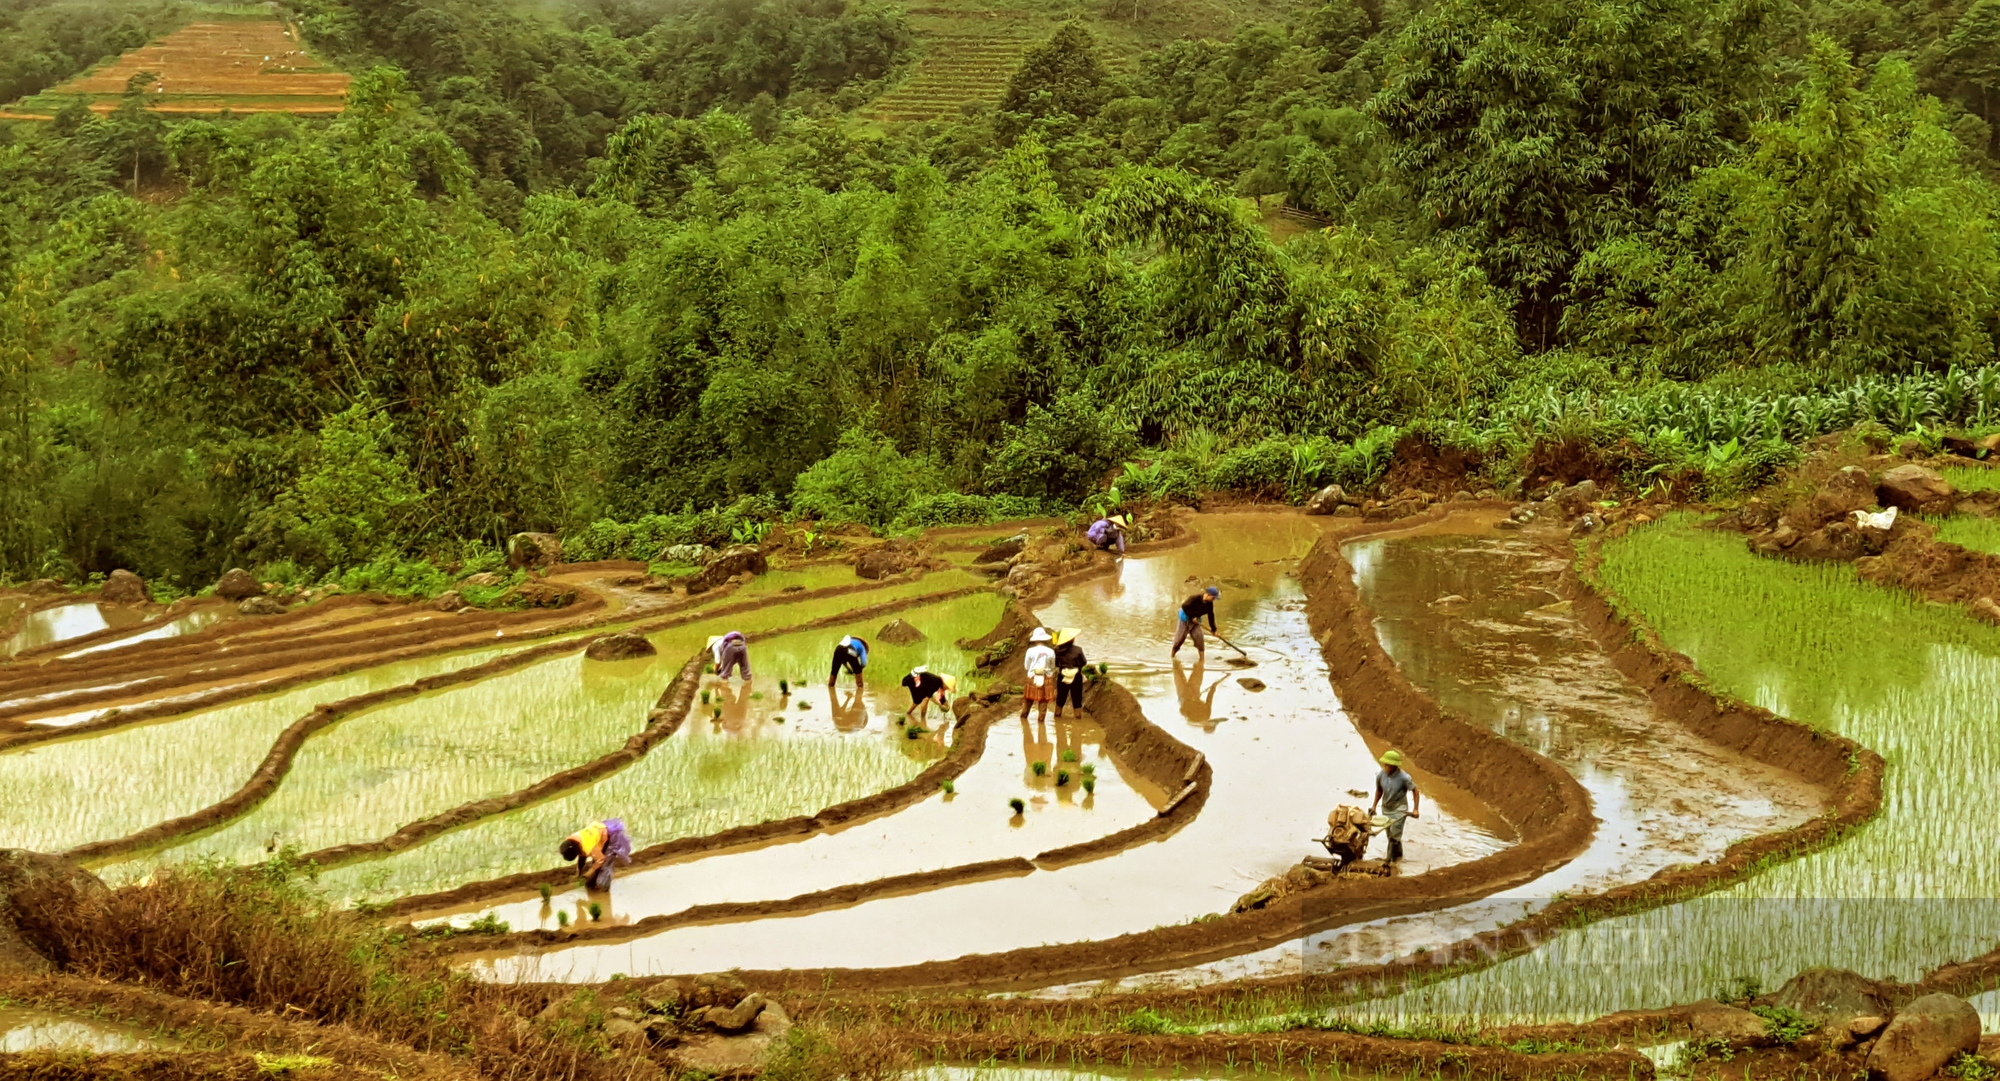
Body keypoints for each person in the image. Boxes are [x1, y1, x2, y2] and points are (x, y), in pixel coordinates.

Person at [1368, 750, 1421, 864]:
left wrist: (1415, 809)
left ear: (1394, 766)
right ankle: (1399, 856)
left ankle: (1390, 861)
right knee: (1391, 836)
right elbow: (1379, 790)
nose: (1385, 767)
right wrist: (1374, 806)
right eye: (1385, 765)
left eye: (1388, 765)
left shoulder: (1404, 777)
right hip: (1386, 808)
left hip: (1400, 809)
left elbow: (1415, 791)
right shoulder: (1381, 775)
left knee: (1394, 835)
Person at [559, 818, 632, 890]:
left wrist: (590, 872)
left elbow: (601, 859)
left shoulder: (588, 846)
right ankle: (591, 883)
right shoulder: (574, 840)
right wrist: (579, 872)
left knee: (605, 864)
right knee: (595, 863)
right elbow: (581, 857)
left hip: (610, 835)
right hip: (597, 832)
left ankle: (604, 887)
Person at [1171, 586, 1220, 658]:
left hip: (1196, 622)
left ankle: (1202, 660)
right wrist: (1192, 616)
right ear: (1207, 595)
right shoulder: (1194, 598)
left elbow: (1211, 616)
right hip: (1185, 620)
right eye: (1213, 598)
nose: (1213, 600)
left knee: (1199, 639)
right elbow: (1184, 606)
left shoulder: (1209, 604)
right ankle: (1172, 656)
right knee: (1179, 640)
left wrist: (1214, 630)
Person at [1022, 627, 1056, 722]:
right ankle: (1041, 723)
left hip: (1032, 676)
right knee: (1043, 701)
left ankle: (1023, 719)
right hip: (1046, 677)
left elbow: (1026, 666)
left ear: (1035, 639)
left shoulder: (1030, 651)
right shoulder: (1051, 651)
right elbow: (1052, 666)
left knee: (1028, 700)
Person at [1052, 628, 1088, 716]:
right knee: (1077, 699)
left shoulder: (1057, 651)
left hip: (1063, 676)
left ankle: (1057, 715)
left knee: (1060, 697)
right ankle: (1078, 718)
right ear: (1072, 639)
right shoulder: (1078, 649)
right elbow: (1084, 662)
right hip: (1076, 676)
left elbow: (1056, 664)